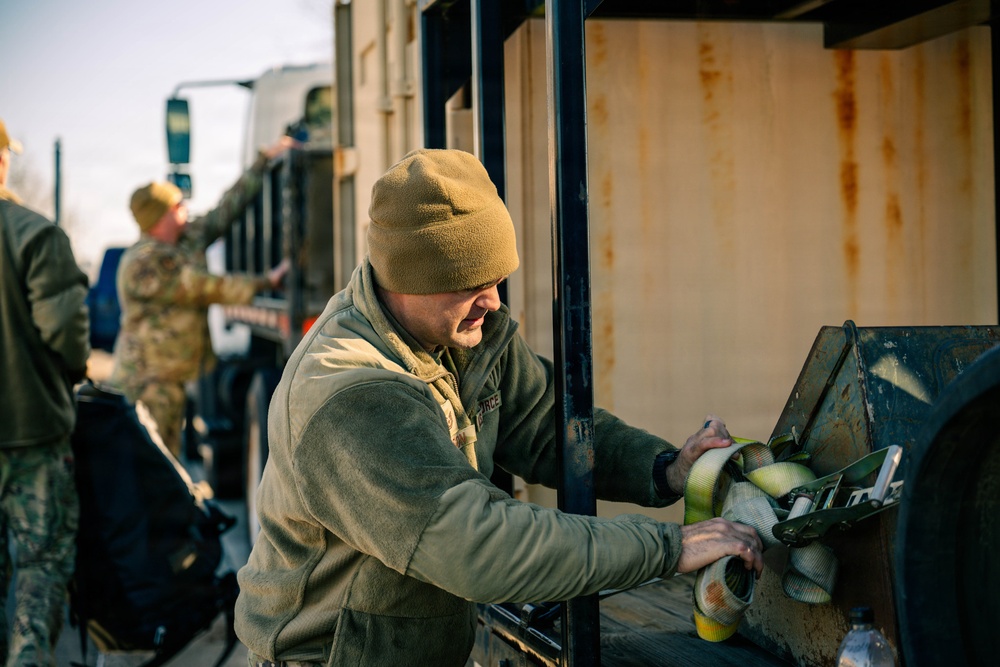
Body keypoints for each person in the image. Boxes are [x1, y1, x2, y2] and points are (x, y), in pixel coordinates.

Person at [235, 148, 763, 666]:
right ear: (406, 278)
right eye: (469, 282)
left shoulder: (461, 335)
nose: (491, 300)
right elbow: (475, 543)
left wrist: (666, 468)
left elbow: (546, 426)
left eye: (496, 277)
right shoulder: (354, 393)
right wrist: (669, 547)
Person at [108, 137, 295, 459]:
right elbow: (199, 287)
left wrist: (264, 161)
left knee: (164, 461)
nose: (186, 210)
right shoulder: (144, 262)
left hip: (169, 378)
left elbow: (225, 211)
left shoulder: (184, 240)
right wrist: (267, 281)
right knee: (154, 465)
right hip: (147, 382)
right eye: (178, 205)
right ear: (160, 217)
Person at [0, 117, 90, 666]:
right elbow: (66, 333)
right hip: (31, 430)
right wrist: (69, 371)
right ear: (3, 158)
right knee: (40, 562)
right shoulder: (34, 234)